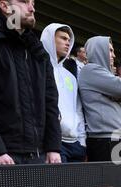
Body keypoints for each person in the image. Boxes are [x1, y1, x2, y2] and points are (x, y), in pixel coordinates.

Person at [0, 0, 62, 165]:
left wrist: (53, 146)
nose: (32, 8)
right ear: (4, 6)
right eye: (24, 2)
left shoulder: (38, 51)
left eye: (32, 2)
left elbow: (50, 101)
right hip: (3, 156)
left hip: (40, 155)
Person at [79, 36, 121, 162]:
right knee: (109, 181)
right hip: (105, 139)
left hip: (116, 138)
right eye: (110, 50)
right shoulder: (90, 70)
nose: (114, 55)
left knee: (120, 181)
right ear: (99, 50)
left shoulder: (107, 75)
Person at [41, 23, 86, 163]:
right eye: (63, 38)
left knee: (78, 185)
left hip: (75, 144)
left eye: (68, 40)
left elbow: (77, 109)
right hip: (53, 142)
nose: (67, 43)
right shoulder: (39, 70)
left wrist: (82, 141)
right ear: (49, 39)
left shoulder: (70, 77)